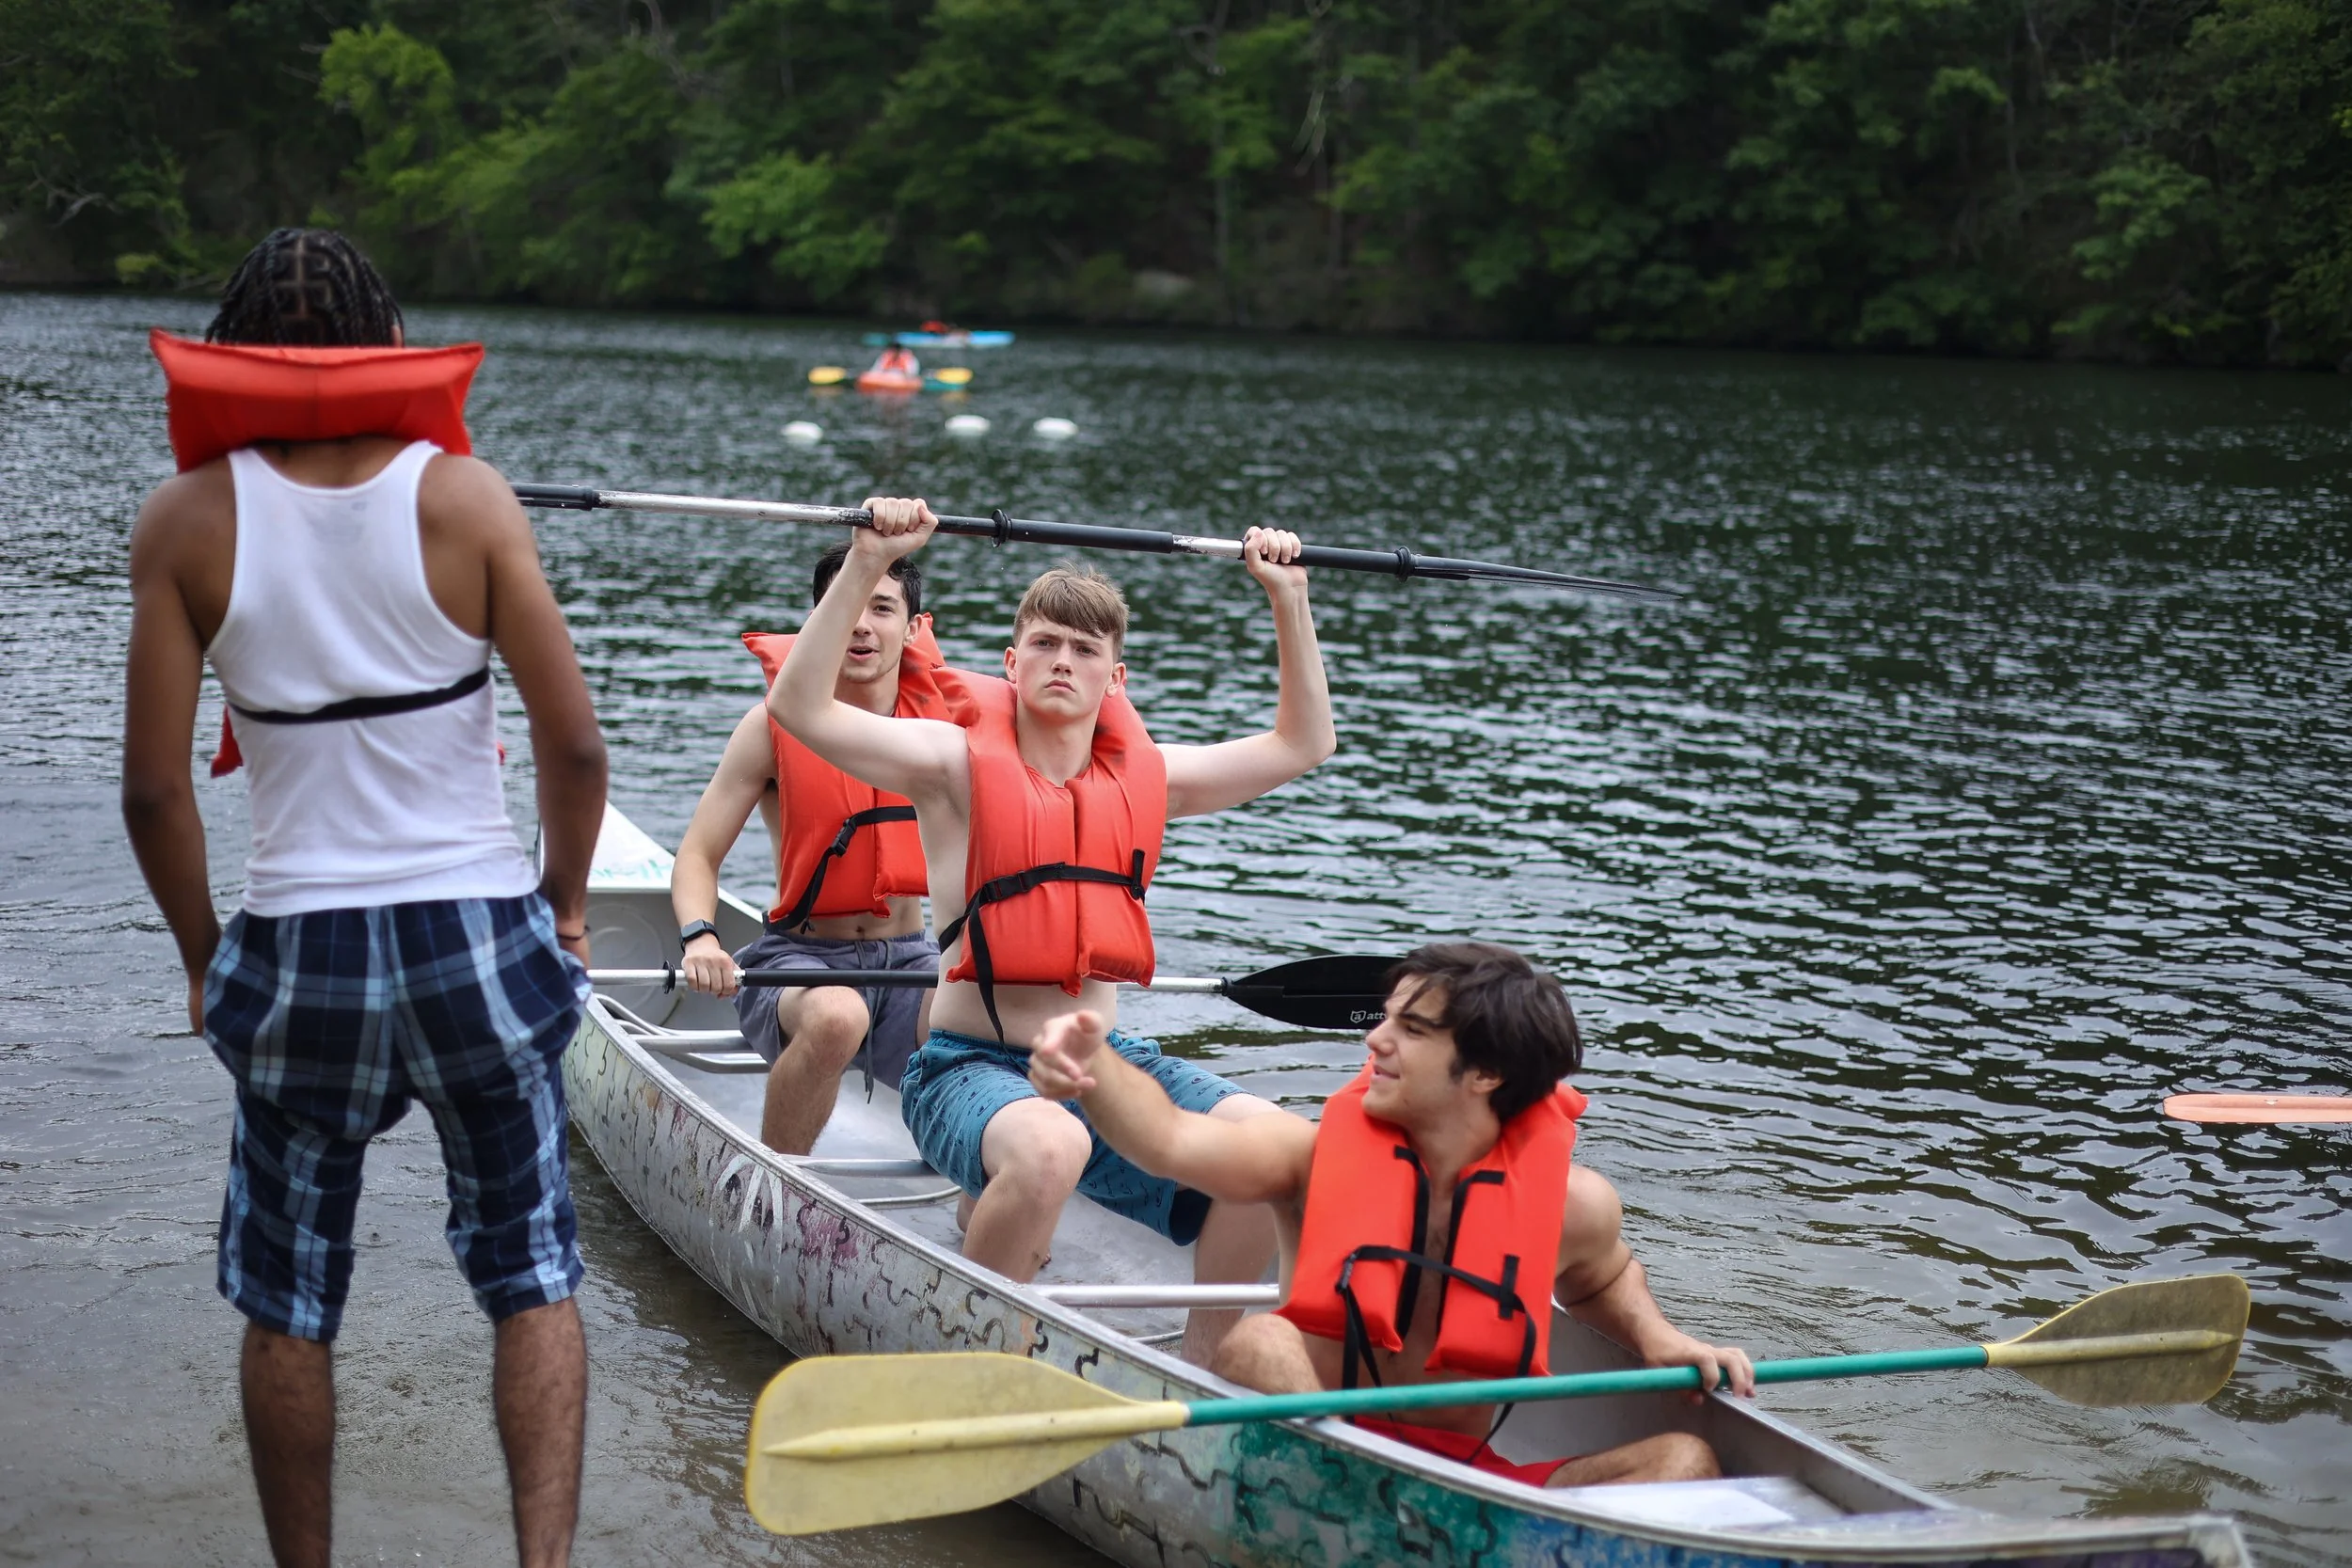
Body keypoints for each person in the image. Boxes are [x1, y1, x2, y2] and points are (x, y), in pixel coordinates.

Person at [119, 228, 606, 1568]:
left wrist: (205, 957)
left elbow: (156, 794)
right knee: (533, 1274)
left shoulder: (186, 522)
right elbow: (574, 749)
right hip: (472, 935)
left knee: (289, 1299)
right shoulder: (465, 499)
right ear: (390, 345)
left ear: (229, 349)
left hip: (299, 945)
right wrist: (563, 912)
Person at [768, 499, 1335, 1363]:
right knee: (1050, 1142)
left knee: (1277, 1150)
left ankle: (1206, 1373)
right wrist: (866, 559)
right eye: (1044, 643)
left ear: (1116, 679)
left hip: (1106, 1070)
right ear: (1011, 660)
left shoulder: (1156, 775)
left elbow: (1304, 741)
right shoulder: (950, 764)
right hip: (967, 1070)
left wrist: (1287, 597)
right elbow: (802, 707)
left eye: (1084, 649)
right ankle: (969, 1355)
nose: (1062, 661)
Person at [1025, 942, 1759, 1489]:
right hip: (1313, 1453)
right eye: (1384, 1019)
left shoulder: (1576, 1203)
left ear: (1486, 1073)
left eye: (1411, 1029)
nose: (1375, 1039)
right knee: (1260, 1345)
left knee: (1685, 1460)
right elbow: (1170, 1139)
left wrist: (1657, 1334)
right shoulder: (1309, 1158)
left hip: (1469, 1483)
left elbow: (1603, 1279)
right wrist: (1095, 1069)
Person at [670, 543, 946, 1153]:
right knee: (836, 1018)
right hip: (799, 959)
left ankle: (982, 1208)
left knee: (988, 1013)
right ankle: (776, 1185)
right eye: (846, 603)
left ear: (912, 626)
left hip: (909, 959)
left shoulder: (946, 730)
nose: (861, 624)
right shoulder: (769, 725)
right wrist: (701, 937)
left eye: (882, 607)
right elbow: (697, 856)